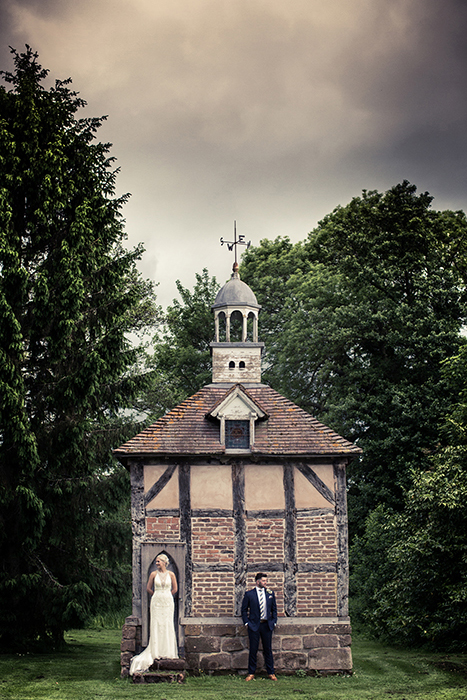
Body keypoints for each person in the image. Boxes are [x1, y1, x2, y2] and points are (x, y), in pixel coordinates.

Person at [129, 553, 178, 675]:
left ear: (164, 562)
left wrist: (167, 596)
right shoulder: (153, 574)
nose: (157, 564)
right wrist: (156, 596)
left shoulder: (171, 574)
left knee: (167, 624)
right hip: (156, 602)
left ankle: (168, 651)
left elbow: (175, 589)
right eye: (156, 561)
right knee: (156, 624)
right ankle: (155, 651)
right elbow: (148, 588)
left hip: (167, 602)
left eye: (158, 561)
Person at [241, 572, 278, 681]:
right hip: (254, 625)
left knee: (268, 649)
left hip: (267, 625)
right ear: (257, 582)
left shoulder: (270, 593)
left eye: (266, 581)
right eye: (263, 581)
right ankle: (251, 673)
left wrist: (274, 621)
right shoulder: (249, 594)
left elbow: (274, 609)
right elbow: (244, 610)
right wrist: (247, 623)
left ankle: (271, 672)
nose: (265, 583)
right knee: (253, 649)